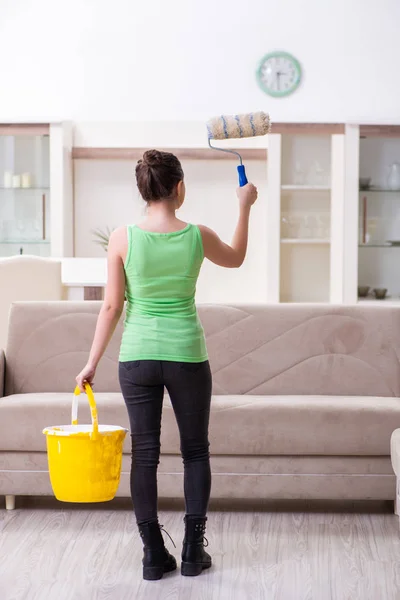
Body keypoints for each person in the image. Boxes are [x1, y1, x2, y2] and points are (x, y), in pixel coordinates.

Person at [76, 150, 258, 580]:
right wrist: (244, 206)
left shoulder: (122, 238)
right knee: (195, 452)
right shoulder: (197, 235)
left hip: (136, 358)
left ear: (144, 190)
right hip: (187, 356)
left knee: (145, 455)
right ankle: (194, 552)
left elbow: (110, 307)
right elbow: (236, 258)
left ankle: (153, 555)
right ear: (179, 188)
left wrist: (90, 363)